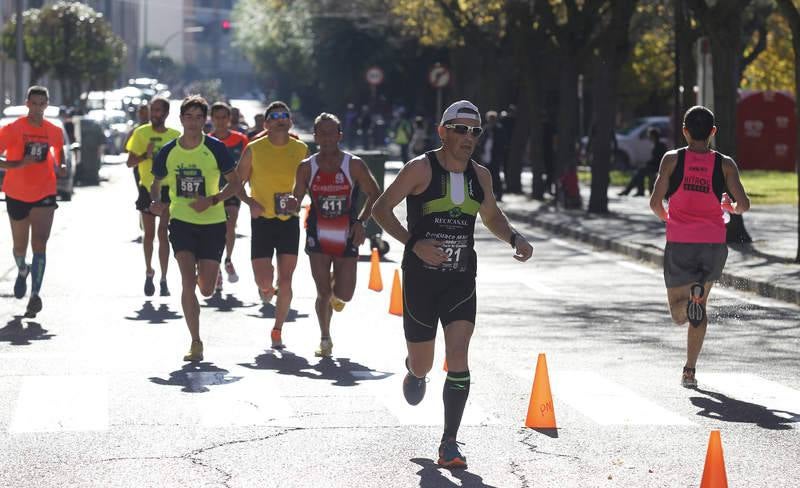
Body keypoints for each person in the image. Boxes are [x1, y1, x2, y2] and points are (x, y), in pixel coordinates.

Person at [372, 100, 533, 468]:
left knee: (458, 355)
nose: (468, 137)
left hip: (461, 280)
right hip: (421, 282)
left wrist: (514, 238)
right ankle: (414, 371)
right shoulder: (420, 169)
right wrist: (414, 243)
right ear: (442, 131)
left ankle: (449, 443)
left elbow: (490, 214)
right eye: (460, 129)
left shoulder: (481, 175)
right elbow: (380, 210)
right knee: (424, 363)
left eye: (475, 131)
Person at [649, 105, 750, 388]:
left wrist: (669, 218)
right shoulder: (725, 163)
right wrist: (730, 205)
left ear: (684, 131)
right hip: (714, 244)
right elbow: (744, 205)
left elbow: (655, 203)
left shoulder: (671, 159)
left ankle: (689, 304)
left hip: (680, 242)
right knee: (700, 305)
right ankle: (689, 370)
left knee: (679, 314)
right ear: (713, 132)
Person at [149, 95, 242, 362]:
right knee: (187, 282)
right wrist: (156, 202)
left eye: (198, 117)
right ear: (180, 120)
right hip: (181, 222)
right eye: (188, 117)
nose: (192, 122)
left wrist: (212, 200)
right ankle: (195, 341)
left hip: (213, 223)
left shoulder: (215, 148)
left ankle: (209, 275)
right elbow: (156, 183)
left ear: (205, 120)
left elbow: (235, 184)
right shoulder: (168, 150)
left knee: (206, 289)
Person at [291, 113, 381, 358]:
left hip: (347, 233)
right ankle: (325, 338)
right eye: (322, 133)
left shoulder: (353, 164)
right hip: (317, 234)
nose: (327, 138)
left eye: (332, 133)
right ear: (316, 136)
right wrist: (290, 204)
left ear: (340, 135)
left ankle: (334, 288)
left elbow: (375, 194)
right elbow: (296, 198)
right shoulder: (306, 167)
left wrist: (362, 222)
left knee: (345, 294)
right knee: (322, 292)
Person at [238, 101, 308, 349]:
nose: (280, 119)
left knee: (286, 279)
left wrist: (297, 200)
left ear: (290, 122)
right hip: (262, 221)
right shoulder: (254, 149)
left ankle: (277, 329)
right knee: (264, 281)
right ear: (266, 124)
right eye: (274, 116)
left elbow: (307, 183)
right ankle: (267, 290)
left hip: (289, 221)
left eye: (284, 116)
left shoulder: (301, 149)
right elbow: (237, 183)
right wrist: (249, 202)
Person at [0, 86, 66, 317]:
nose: (38, 108)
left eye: (42, 104)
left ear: (46, 105)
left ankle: (35, 295)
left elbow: (60, 151)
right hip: (17, 192)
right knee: (20, 247)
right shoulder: (12, 129)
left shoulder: (54, 130)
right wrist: (16, 164)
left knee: (39, 244)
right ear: (27, 103)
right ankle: (22, 270)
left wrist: (62, 165)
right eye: (34, 103)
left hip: (45, 191)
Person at [126, 97, 181, 297]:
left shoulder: (175, 136)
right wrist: (145, 156)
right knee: (148, 234)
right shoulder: (141, 133)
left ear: (166, 113)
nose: (154, 114)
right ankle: (149, 271)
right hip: (146, 188)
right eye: (152, 110)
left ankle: (164, 278)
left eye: (158, 110)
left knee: (163, 233)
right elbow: (129, 162)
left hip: (167, 189)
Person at [209, 102, 250, 289]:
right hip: (212, 192)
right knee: (216, 230)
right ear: (211, 119)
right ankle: (215, 268)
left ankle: (228, 259)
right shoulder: (206, 140)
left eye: (224, 117)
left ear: (229, 119)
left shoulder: (241, 140)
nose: (220, 121)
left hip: (233, 189)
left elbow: (247, 165)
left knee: (230, 224)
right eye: (216, 117)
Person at [619, 127, 668, 196]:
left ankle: (634, 191)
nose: (649, 138)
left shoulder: (660, 146)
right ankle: (631, 190)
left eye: (650, 136)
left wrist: (648, 163)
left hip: (658, 167)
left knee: (640, 171)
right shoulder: (657, 145)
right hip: (655, 166)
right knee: (640, 171)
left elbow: (658, 160)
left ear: (653, 136)